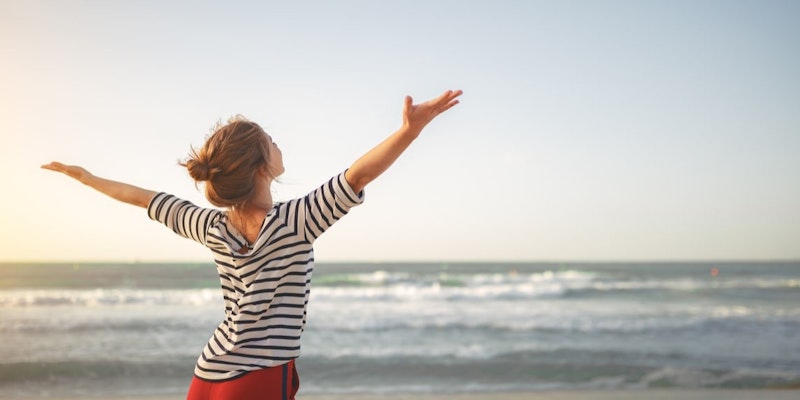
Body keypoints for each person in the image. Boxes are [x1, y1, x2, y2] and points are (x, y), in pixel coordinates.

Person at [41, 89, 462, 400]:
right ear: (262, 167)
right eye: (272, 142)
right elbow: (358, 175)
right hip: (258, 376)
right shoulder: (296, 221)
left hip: (207, 374)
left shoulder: (209, 226)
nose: (279, 146)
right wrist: (409, 130)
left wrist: (88, 178)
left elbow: (145, 199)